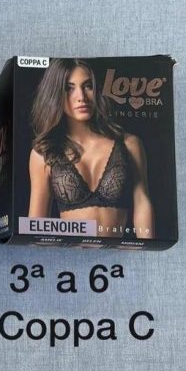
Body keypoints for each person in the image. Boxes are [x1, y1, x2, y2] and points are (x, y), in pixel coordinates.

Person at [28, 59, 154, 238]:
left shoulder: (129, 144)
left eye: (88, 86)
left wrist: (145, 250)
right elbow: (36, 225)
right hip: (69, 253)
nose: (81, 97)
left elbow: (142, 203)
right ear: (55, 94)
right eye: (69, 88)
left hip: (117, 252)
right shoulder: (44, 153)